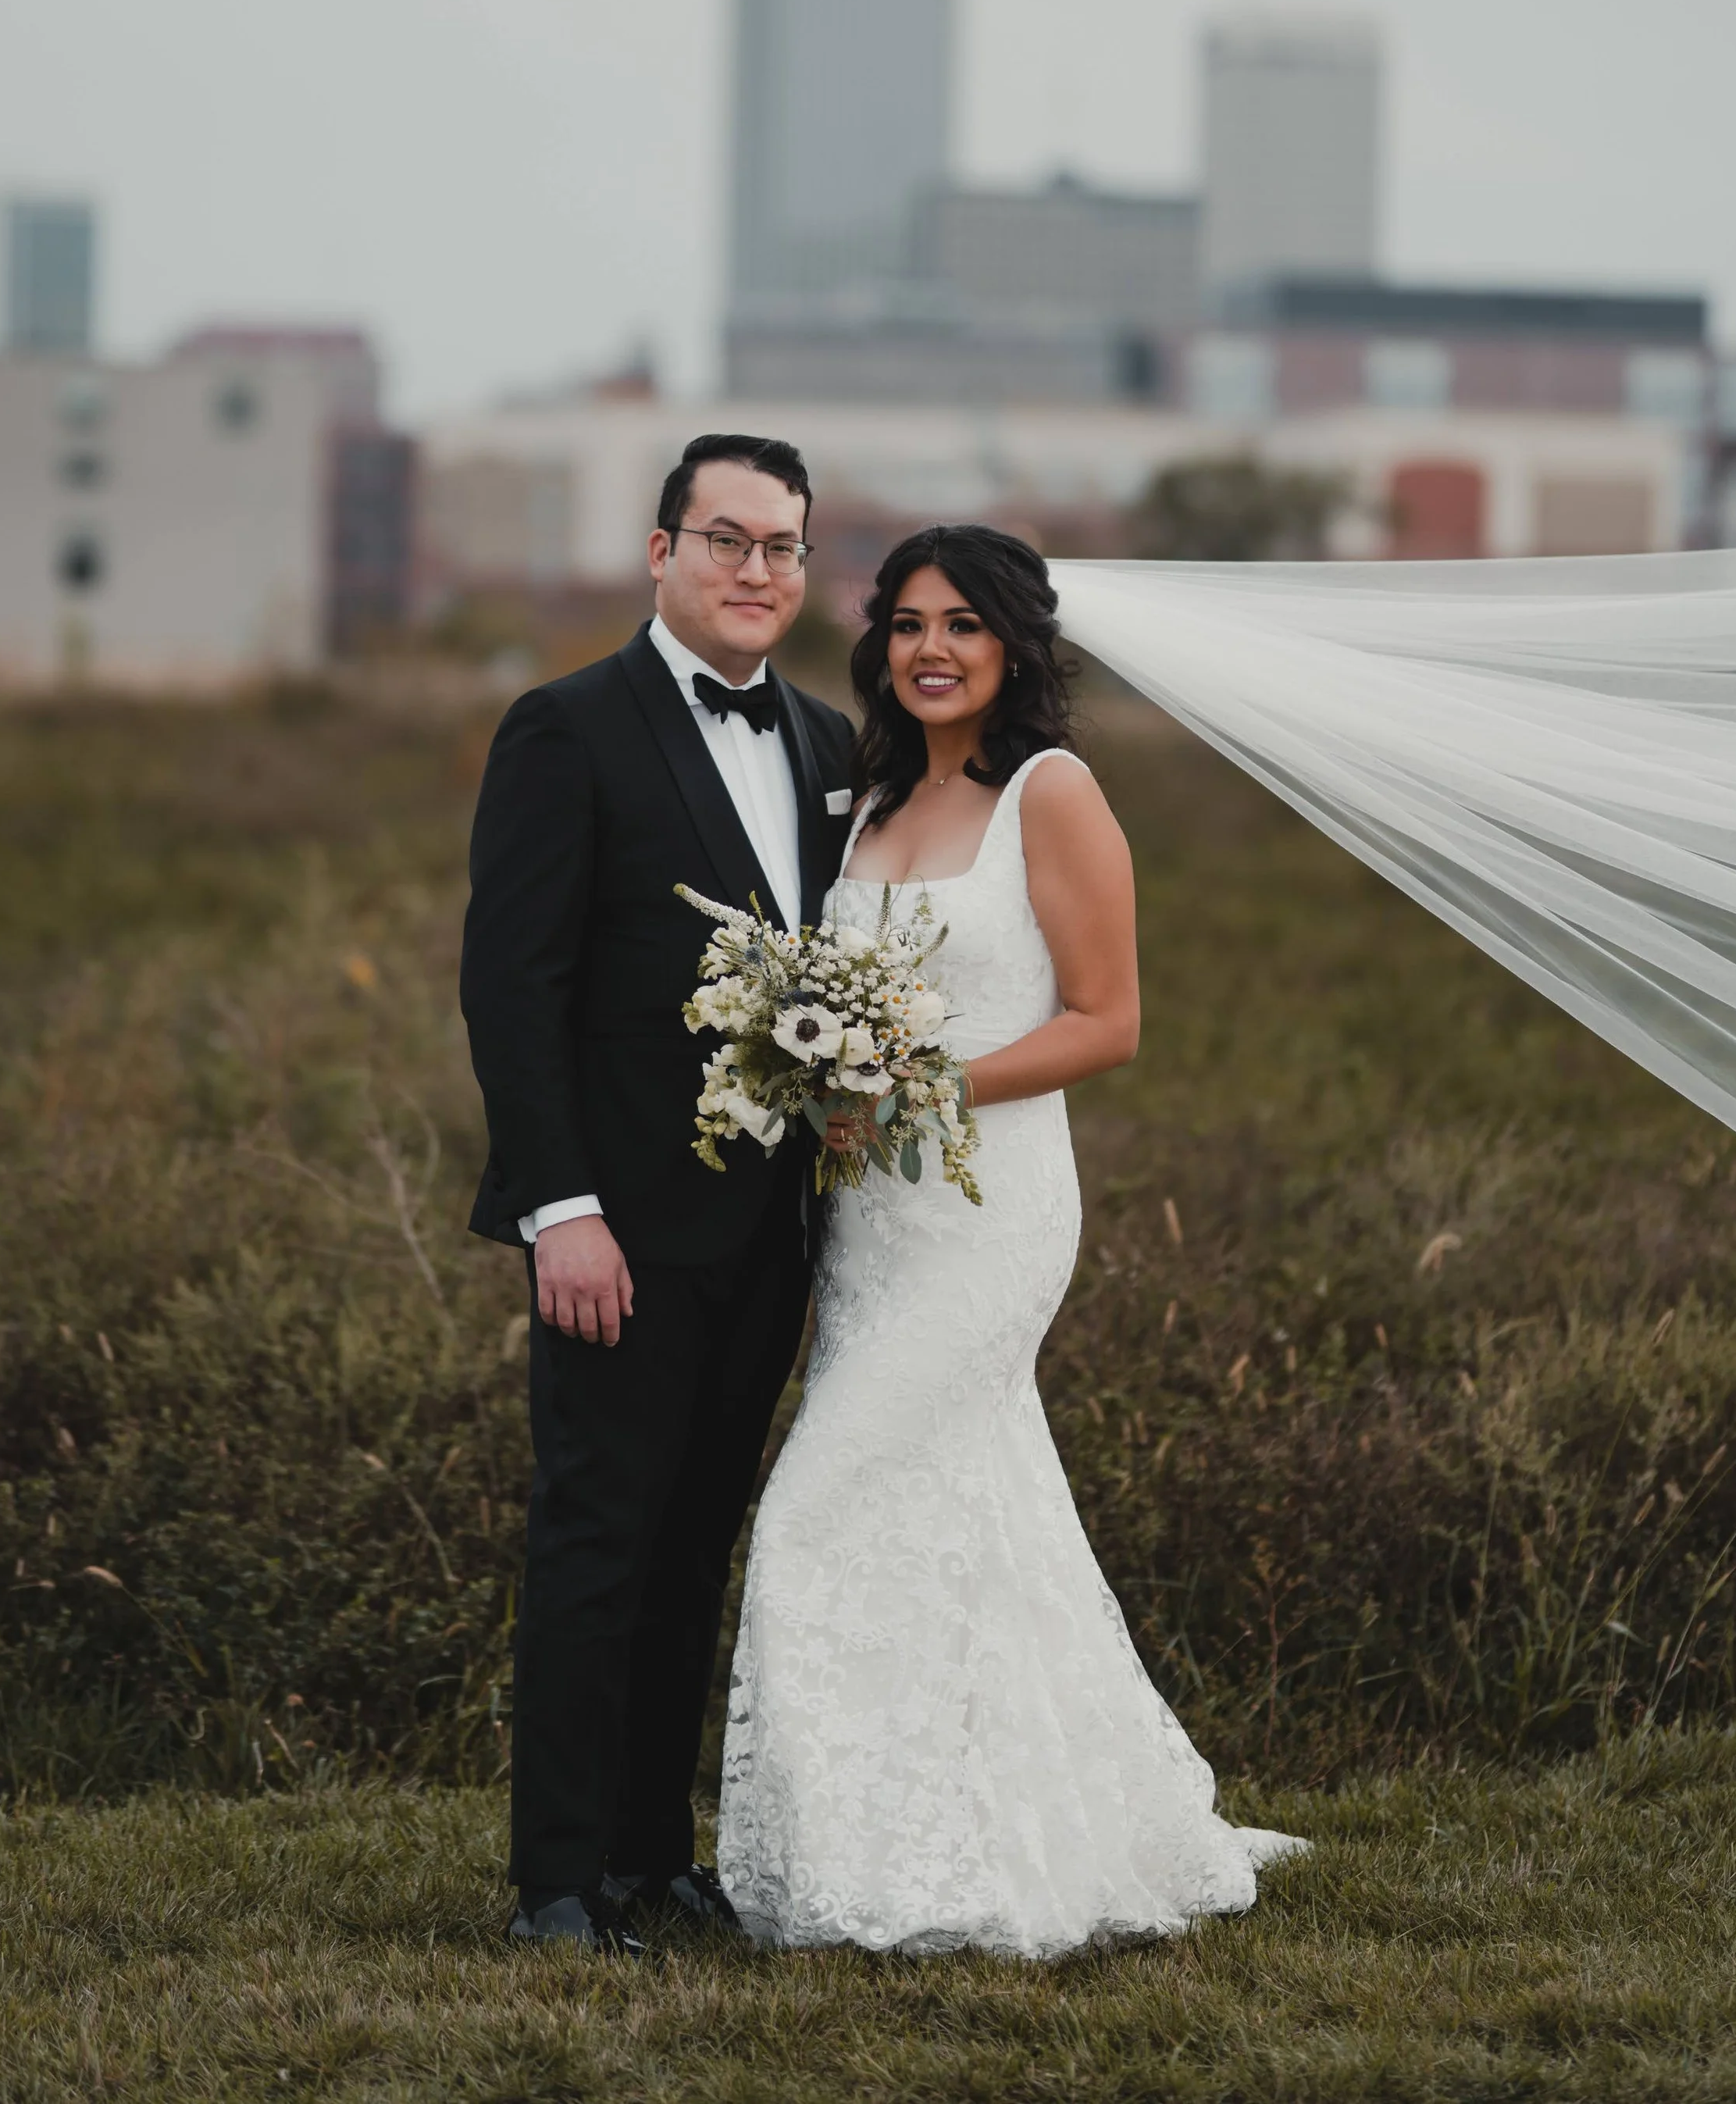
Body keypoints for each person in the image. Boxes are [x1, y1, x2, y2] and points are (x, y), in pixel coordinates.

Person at [718, 522, 1305, 1956]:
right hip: (869, 1221)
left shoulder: (1055, 792)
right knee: (962, 1508)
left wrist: (910, 1086)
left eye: (963, 626)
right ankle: (996, 1810)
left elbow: (1110, 1023)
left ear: (1015, 646)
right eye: (908, 623)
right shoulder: (856, 806)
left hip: (991, 1212)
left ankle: (892, 1864)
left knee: (816, 1507)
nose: (930, 649)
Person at [462, 432, 856, 1957]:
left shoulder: (826, 745)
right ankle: (552, 1881)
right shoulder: (563, 728)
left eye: (783, 546)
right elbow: (513, 985)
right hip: (611, 1232)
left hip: (768, 1232)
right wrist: (558, 1203)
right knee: (595, 1535)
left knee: (696, 1540)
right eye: (726, 538)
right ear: (658, 550)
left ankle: (644, 1856)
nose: (756, 570)